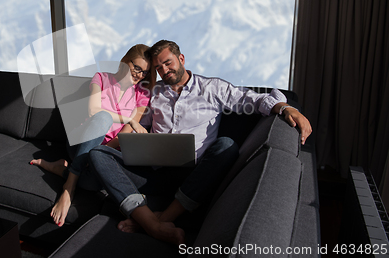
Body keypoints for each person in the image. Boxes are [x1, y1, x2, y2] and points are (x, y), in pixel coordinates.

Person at [87, 40, 312, 245]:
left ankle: (160, 220)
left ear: (181, 59)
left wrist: (286, 108)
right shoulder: (154, 93)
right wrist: (125, 140)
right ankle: (151, 222)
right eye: (159, 68)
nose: (164, 71)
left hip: (194, 176)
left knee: (226, 146)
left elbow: (252, 99)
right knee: (98, 154)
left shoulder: (212, 88)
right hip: (153, 172)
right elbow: (137, 123)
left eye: (168, 63)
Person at [30, 44, 156, 226]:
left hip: (103, 150)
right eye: (136, 67)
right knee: (103, 117)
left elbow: (125, 135)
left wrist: (98, 154)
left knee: (94, 183)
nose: (139, 74)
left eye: (145, 72)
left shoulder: (141, 94)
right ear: (124, 61)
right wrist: (129, 119)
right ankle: (69, 186)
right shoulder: (102, 78)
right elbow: (94, 110)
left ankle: (61, 169)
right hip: (80, 143)